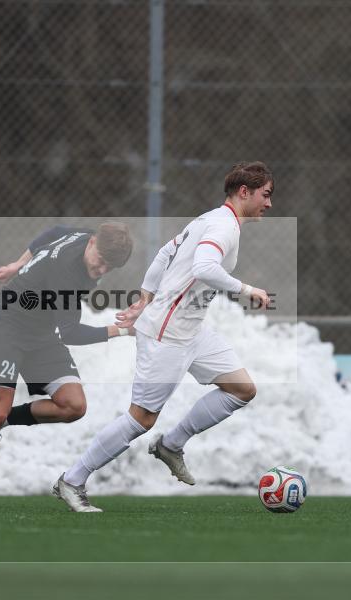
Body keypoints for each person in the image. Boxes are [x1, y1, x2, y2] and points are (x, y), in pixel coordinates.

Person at [52, 161, 274, 512]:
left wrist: (145, 299)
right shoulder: (223, 226)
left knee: (242, 389)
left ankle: (171, 445)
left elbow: (164, 254)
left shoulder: (209, 219)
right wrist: (247, 289)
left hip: (192, 329)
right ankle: (72, 479)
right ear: (244, 192)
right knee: (140, 419)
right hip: (166, 334)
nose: (269, 203)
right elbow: (204, 267)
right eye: (266, 194)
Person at [0, 222, 134, 508]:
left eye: (109, 267)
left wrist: (19, 264)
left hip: (40, 333)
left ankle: (3, 422)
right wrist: (123, 331)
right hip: (8, 327)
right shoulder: (65, 273)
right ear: (92, 243)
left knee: (73, 406)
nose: (102, 269)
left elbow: (54, 232)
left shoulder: (84, 237)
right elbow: (71, 333)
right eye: (101, 261)